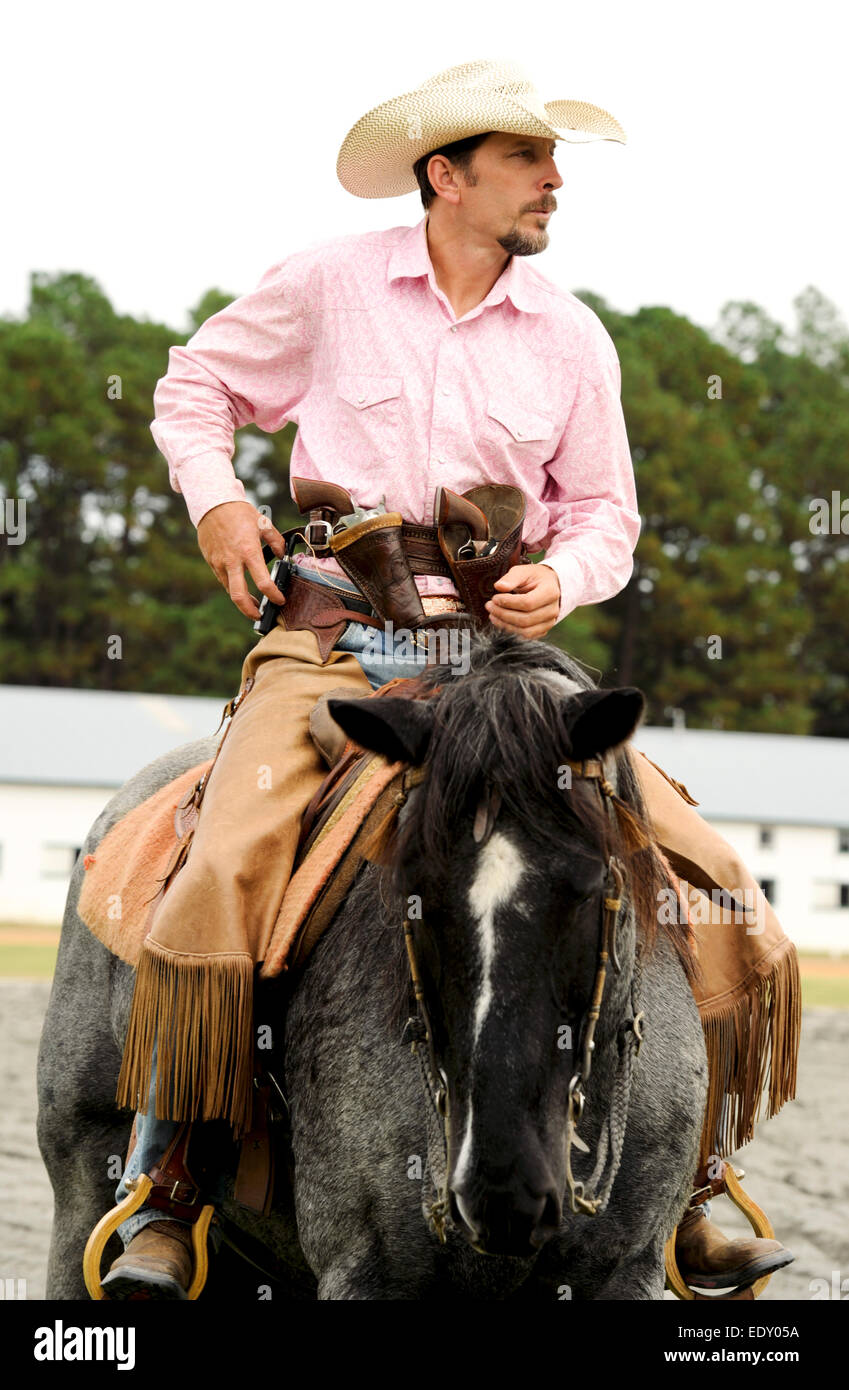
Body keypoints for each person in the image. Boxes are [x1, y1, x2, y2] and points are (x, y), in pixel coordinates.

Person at [101, 60, 799, 1300]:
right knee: (221, 860)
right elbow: (193, 385)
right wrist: (216, 503)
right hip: (334, 640)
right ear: (446, 175)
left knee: (698, 868)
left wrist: (565, 578)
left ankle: (684, 1180)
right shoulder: (328, 284)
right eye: (529, 159)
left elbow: (606, 515)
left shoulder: (573, 335)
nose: (554, 180)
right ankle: (168, 1180)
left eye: (551, 159)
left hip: (504, 663)